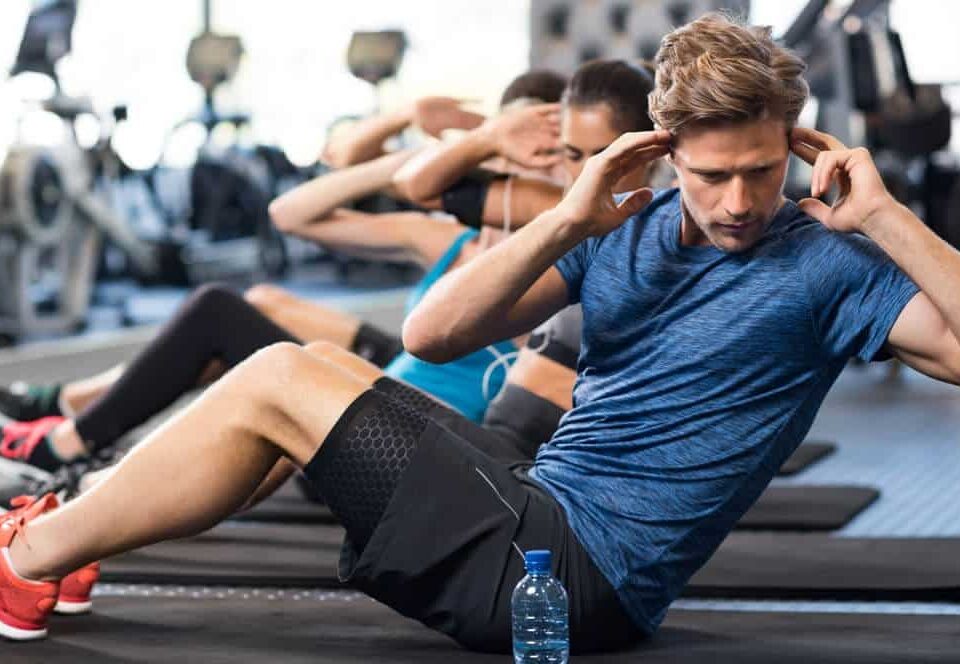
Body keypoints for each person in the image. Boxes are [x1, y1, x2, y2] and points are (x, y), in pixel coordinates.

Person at [13, 15, 953, 655]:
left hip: (576, 580)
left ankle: (19, 564)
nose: (742, 201)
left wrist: (885, 217)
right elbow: (436, 329)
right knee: (295, 369)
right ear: (665, 148)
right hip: (533, 510)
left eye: (760, 170)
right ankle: (70, 540)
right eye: (713, 175)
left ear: (797, 142)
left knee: (275, 379)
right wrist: (569, 219)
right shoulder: (612, 228)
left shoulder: (831, 262)